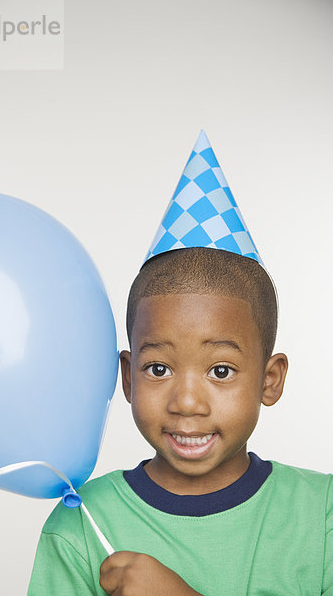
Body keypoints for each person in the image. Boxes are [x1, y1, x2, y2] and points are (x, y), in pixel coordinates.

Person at [27, 246, 333, 596]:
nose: (187, 402)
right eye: (159, 369)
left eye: (221, 371)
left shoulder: (322, 513)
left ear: (270, 380)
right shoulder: (80, 525)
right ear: (128, 377)